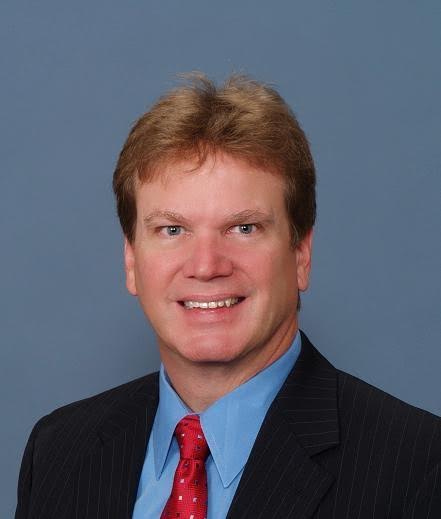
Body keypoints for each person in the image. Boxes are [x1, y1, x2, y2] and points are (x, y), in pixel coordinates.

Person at [16, 74, 441, 519]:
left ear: (301, 254)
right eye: (172, 230)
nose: (206, 265)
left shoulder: (419, 469)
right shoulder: (58, 452)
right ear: (131, 260)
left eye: (243, 228)